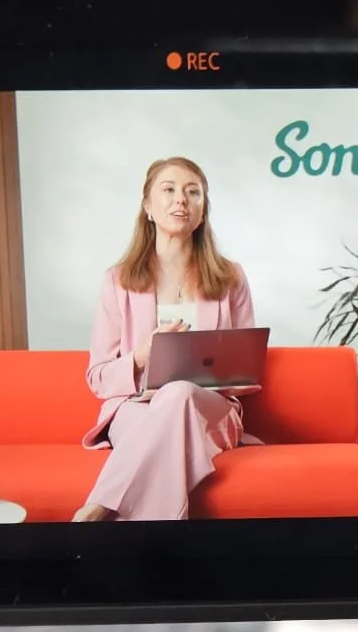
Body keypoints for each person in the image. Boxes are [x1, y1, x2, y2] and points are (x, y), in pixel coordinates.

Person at [74, 156, 257, 522]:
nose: (181, 201)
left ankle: (99, 506)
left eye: (193, 193)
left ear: (203, 210)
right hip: (135, 407)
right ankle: (161, 556)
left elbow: (246, 372)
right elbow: (98, 378)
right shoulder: (118, 280)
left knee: (178, 393)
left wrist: (204, 372)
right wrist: (141, 356)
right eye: (169, 190)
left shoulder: (230, 277)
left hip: (208, 409)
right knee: (159, 422)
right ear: (148, 207)